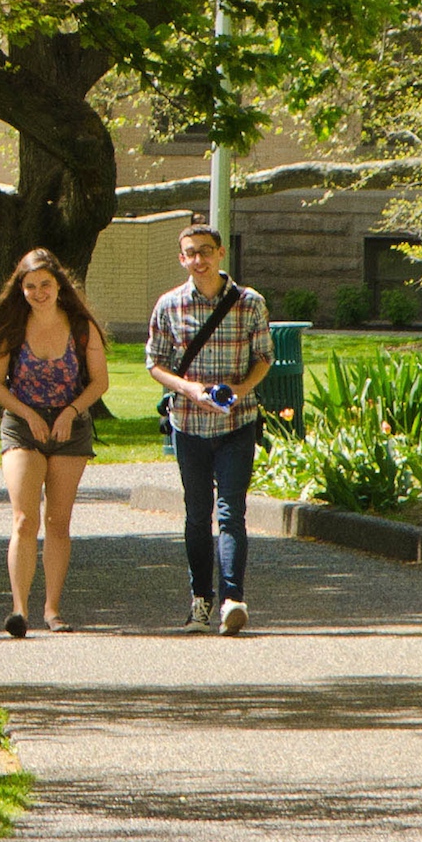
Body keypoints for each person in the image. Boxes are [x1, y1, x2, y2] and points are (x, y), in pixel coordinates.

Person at [144, 225, 270, 634]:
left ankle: (233, 599)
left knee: (232, 512)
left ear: (220, 255)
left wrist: (240, 389)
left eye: (205, 251)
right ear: (182, 259)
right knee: (197, 514)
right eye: (190, 253)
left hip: (238, 423)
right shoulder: (169, 305)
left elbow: (264, 356)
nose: (198, 260)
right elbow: (154, 363)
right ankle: (201, 600)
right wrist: (188, 389)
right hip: (189, 423)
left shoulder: (249, 303)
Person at [0, 248, 109, 636]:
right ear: (20, 289)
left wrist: (71, 411)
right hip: (23, 424)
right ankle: (18, 609)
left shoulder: (81, 325)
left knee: (58, 521)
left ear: (59, 285)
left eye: (46, 285)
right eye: (30, 286)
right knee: (24, 518)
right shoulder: (12, 327)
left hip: (71, 427)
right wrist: (30, 415)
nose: (38, 293)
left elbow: (100, 382)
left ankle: (52, 609)